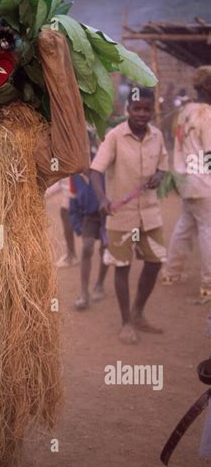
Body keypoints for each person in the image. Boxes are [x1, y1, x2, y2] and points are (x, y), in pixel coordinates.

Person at [90, 87, 168, 344]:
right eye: (137, 109)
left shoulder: (157, 136)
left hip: (149, 213)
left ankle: (138, 312)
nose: (142, 114)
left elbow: (163, 167)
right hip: (121, 215)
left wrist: (159, 175)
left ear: (152, 110)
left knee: (155, 261)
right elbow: (95, 171)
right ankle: (126, 323)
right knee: (121, 267)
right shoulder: (114, 137)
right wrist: (102, 199)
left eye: (147, 109)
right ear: (128, 109)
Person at [161, 66, 211, 304]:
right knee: (207, 229)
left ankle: (172, 273)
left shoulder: (184, 112)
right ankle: (208, 284)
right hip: (203, 180)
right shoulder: (207, 114)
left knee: (185, 225)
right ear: (207, 86)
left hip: (184, 178)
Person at [69, 133, 108, 310]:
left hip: (106, 214)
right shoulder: (74, 174)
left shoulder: (102, 167)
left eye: (86, 144)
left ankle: (99, 284)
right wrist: (77, 227)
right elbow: (72, 203)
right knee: (87, 247)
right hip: (88, 217)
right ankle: (84, 293)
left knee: (106, 249)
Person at [45, 178, 78, 267]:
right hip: (71, 192)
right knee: (65, 214)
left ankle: (71, 255)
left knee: (66, 215)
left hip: (75, 193)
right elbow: (59, 182)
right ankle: (70, 254)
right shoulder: (57, 166)